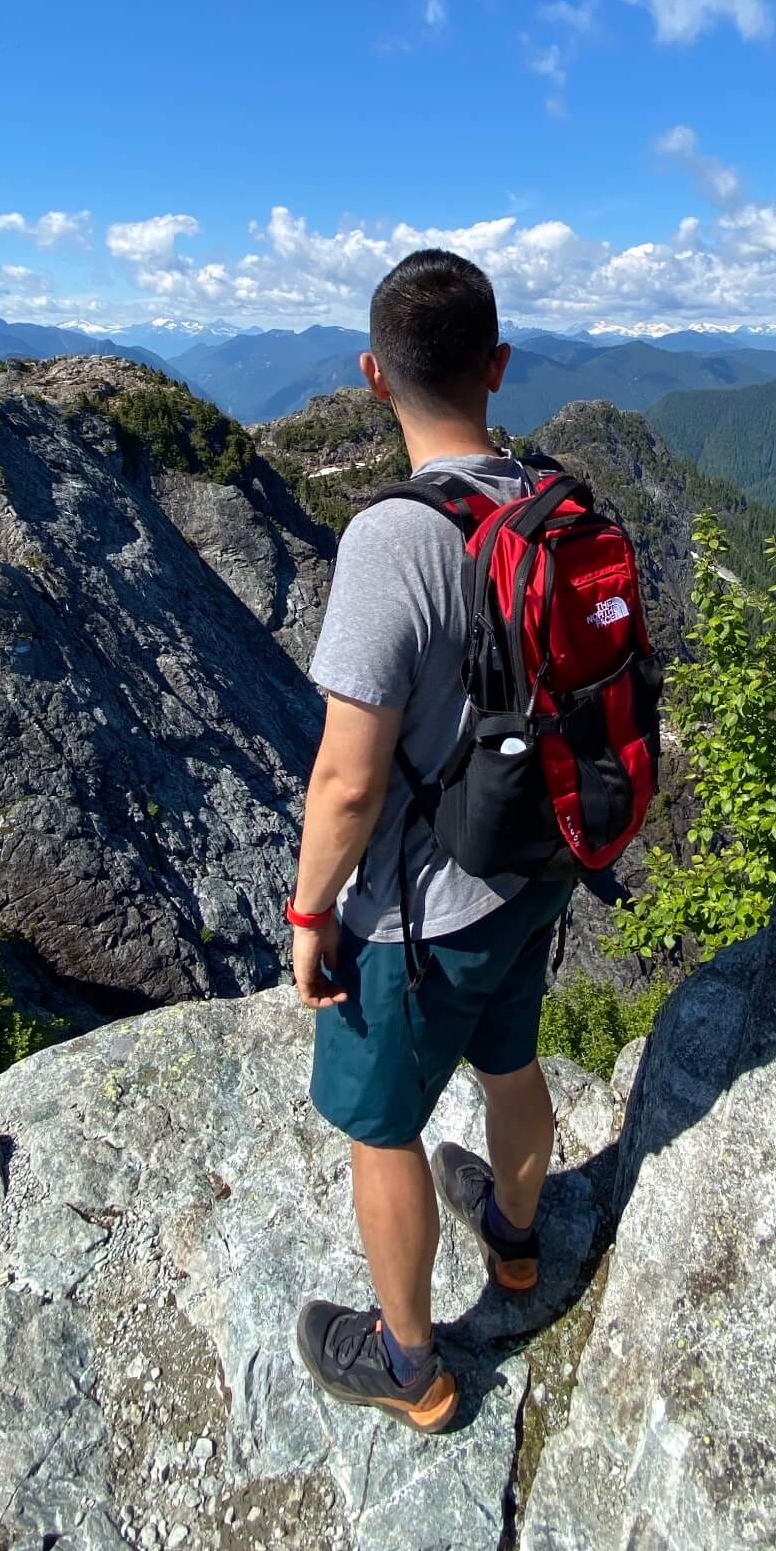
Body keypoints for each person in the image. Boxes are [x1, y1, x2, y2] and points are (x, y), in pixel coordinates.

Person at [290, 248, 573, 1434]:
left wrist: (310, 916)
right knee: (511, 1061)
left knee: (381, 1125)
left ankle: (413, 1362)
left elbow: (349, 781)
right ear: (498, 366)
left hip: (420, 915)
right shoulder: (552, 497)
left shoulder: (392, 542)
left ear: (371, 376)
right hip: (534, 864)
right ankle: (514, 1242)